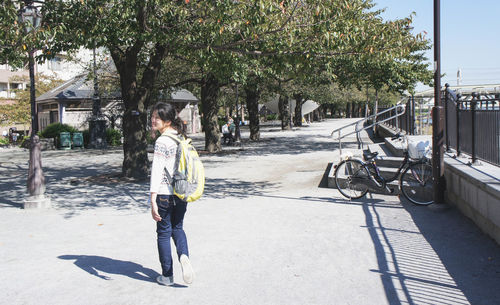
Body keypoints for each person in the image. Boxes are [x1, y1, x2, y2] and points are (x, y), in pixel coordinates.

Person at [150, 102, 194, 286]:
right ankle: (184, 256)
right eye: (152, 117)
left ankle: (167, 275)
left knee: (163, 233)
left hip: (164, 194)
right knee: (178, 228)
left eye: (157, 118)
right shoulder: (180, 137)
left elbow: (157, 171)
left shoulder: (162, 142)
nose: (153, 121)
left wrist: (152, 198)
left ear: (167, 121)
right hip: (181, 192)